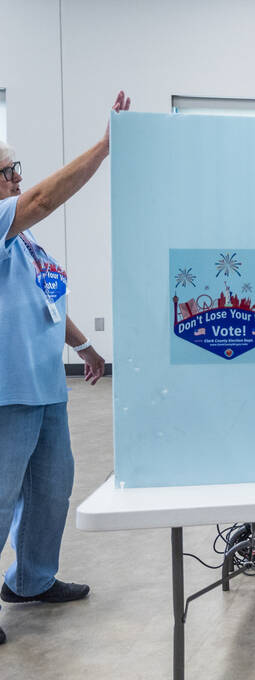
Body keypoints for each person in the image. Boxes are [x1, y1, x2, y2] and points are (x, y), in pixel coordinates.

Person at [0, 91, 131, 647]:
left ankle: (30, 580)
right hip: (7, 390)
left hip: (45, 386)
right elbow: (44, 200)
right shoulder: (8, 221)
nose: (16, 178)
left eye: (15, 169)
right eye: (8, 171)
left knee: (52, 487)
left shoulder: (20, 239)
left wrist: (84, 348)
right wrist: (103, 149)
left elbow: (43, 299)